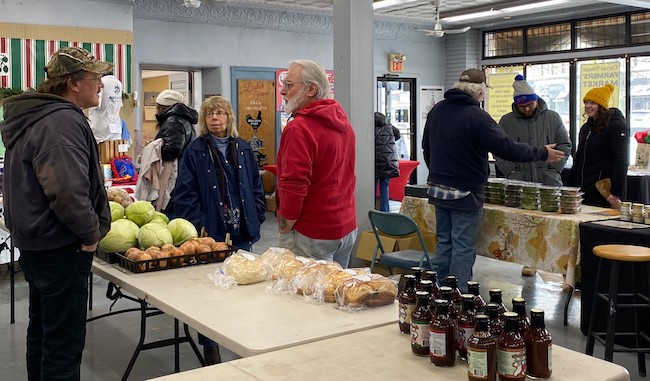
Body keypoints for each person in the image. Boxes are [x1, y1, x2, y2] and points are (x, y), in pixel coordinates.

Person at [0, 46, 112, 381]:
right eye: (96, 78)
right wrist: (91, 235)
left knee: (44, 333)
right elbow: (65, 191)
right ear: (74, 84)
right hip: (61, 247)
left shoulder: (36, 116)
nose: (101, 85)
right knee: (63, 345)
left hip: (38, 245)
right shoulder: (61, 121)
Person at [422, 68, 565, 293]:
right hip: (465, 193)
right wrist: (541, 153)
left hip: (438, 190)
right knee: (461, 248)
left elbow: (426, 148)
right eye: (484, 92)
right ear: (479, 92)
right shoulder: (477, 117)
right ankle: (459, 297)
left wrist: (439, 174)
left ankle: (438, 293)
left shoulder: (437, 111)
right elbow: (507, 149)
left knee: (444, 245)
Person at [174, 95, 266, 364]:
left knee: (244, 289)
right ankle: (210, 347)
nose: (215, 118)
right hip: (211, 235)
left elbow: (255, 186)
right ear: (204, 119)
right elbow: (184, 194)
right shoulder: (195, 151)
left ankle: (243, 338)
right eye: (210, 114)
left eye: (220, 113)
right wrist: (200, 224)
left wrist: (257, 215)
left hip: (243, 232)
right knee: (211, 294)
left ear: (229, 117)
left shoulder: (244, 148)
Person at [276, 59, 357, 268]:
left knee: (302, 298)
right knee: (334, 295)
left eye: (290, 85)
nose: (283, 91)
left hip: (312, 233)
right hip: (345, 227)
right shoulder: (344, 124)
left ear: (311, 89)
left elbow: (293, 184)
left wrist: (285, 227)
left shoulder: (299, 129)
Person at [496, 74, 571, 186]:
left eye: (530, 104)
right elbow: (498, 149)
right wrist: (511, 171)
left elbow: (564, 145)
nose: (526, 109)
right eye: (522, 106)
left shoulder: (553, 118)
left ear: (536, 100)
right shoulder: (506, 121)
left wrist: (554, 169)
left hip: (548, 181)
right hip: (517, 182)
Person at [563, 84, 628, 208]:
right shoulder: (585, 128)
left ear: (601, 106)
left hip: (604, 192)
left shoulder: (616, 126)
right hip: (583, 191)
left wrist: (616, 193)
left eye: (593, 103)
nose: (588, 106)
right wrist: (571, 186)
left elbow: (621, 160)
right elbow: (579, 159)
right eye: (586, 102)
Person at [153, 89, 198, 217]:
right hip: (184, 178)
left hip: (174, 183)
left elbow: (169, 157)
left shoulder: (173, 122)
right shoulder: (185, 120)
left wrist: (160, 197)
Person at [374, 112, 400, 211]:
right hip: (388, 160)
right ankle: (385, 210)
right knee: (384, 186)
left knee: (373, 187)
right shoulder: (388, 125)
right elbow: (397, 134)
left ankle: (371, 208)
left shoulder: (371, 127)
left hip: (375, 161)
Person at [88, 73, 123, 143]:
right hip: (116, 128)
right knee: (114, 151)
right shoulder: (119, 83)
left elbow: (96, 105)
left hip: (100, 129)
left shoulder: (102, 82)